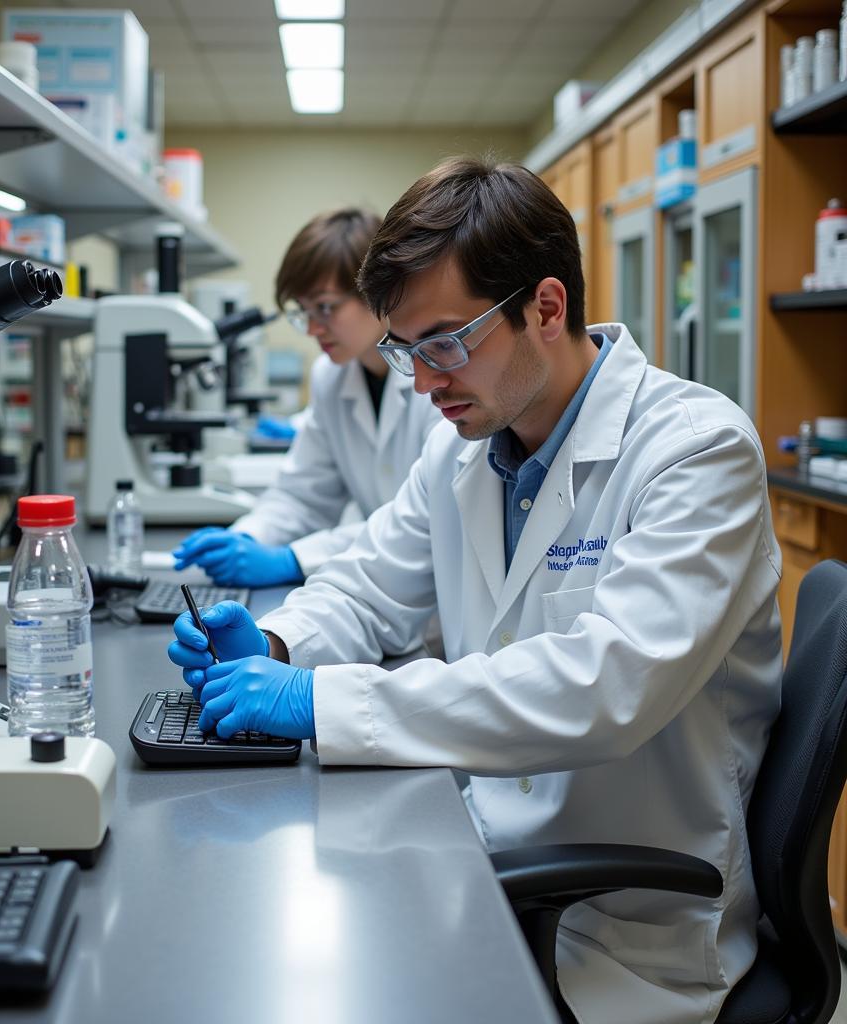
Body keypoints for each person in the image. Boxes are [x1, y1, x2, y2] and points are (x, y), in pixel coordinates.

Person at [167, 157, 782, 1024]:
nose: (422, 382)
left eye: (446, 343)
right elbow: (370, 584)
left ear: (546, 307)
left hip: (627, 926)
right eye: (405, 350)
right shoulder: (460, 451)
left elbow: (605, 685)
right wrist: (277, 644)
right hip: (474, 855)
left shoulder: (694, 451)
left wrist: (320, 702)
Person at [172, 208, 441, 587]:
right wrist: (249, 536)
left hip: (428, 600)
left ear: (379, 290)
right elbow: (303, 495)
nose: (313, 328)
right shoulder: (332, 377)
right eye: (305, 311)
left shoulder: (438, 379)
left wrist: (293, 560)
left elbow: (421, 520)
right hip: (373, 591)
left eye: (326, 308)